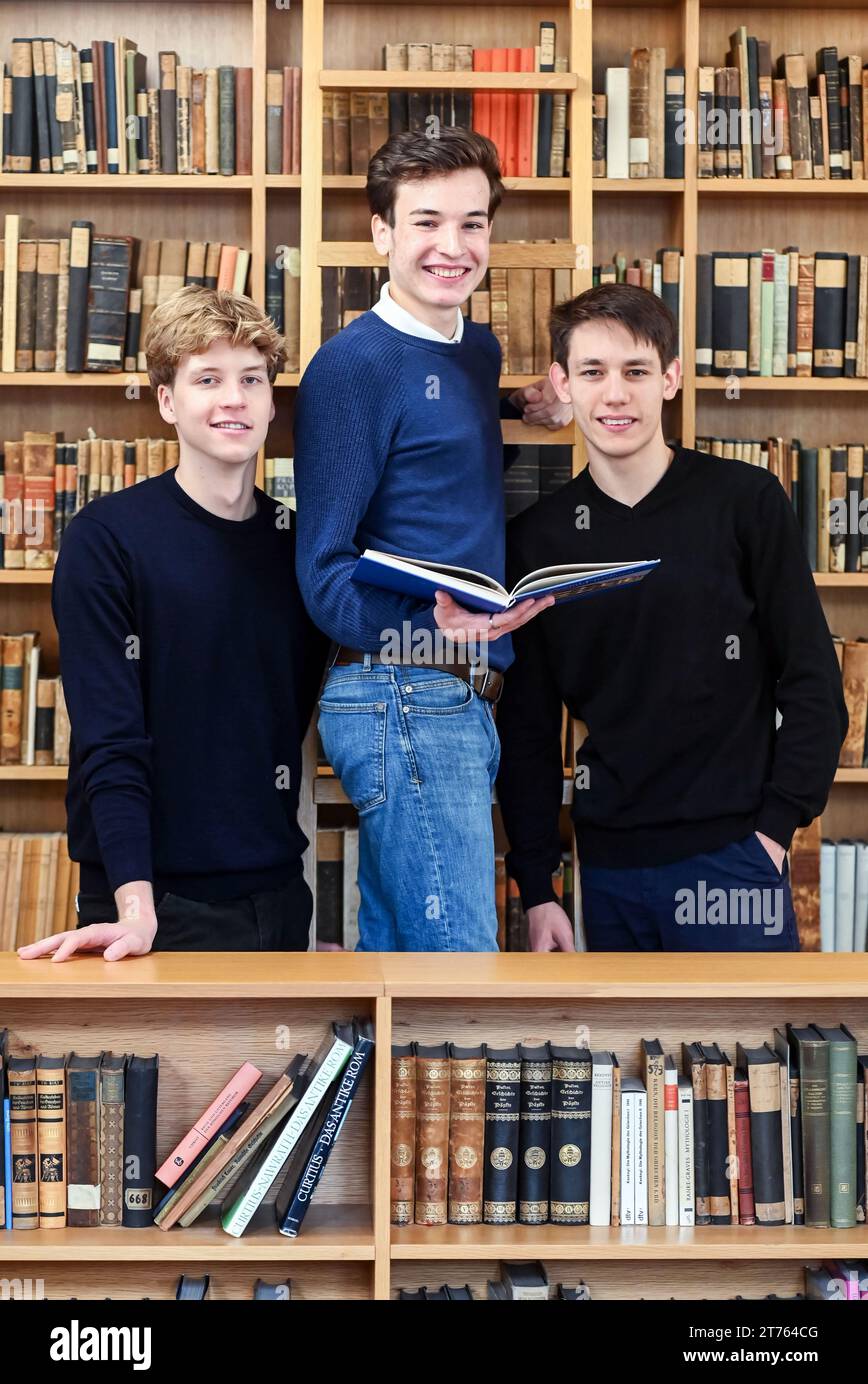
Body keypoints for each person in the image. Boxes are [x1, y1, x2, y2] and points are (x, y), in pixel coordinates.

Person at [495, 282, 848, 952]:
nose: (616, 394)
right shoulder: (538, 541)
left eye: (636, 371)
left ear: (671, 377)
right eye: (593, 373)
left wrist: (775, 833)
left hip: (736, 860)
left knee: (752, 1060)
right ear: (563, 384)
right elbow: (529, 730)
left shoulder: (745, 502)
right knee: (628, 1061)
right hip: (607, 871)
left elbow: (812, 683)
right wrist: (539, 888)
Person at [293, 127, 566, 952]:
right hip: (399, 691)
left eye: (473, 223)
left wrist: (523, 407)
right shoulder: (352, 367)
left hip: (459, 697)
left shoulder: (475, 349)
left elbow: (438, 424)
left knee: (402, 978)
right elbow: (325, 575)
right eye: (426, 222)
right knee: (459, 973)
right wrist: (425, 627)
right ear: (381, 232)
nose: (453, 247)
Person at [18, 285, 328, 962]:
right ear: (166, 401)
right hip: (151, 906)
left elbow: (292, 728)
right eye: (207, 379)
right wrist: (135, 907)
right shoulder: (106, 539)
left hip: (278, 897)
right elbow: (109, 737)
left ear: (272, 401)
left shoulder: (298, 547)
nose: (233, 399)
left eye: (251, 380)